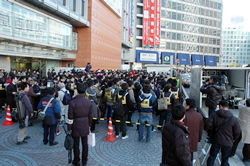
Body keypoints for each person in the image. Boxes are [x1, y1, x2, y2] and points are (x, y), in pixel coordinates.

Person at [205, 100, 241, 166]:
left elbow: (208, 124)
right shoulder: (234, 119)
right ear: (228, 107)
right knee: (225, 160)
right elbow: (237, 131)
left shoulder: (214, 115)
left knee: (212, 157)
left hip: (216, 139)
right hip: (228, 142)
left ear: (220, 106)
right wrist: (234, 139)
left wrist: (209, 132)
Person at [68, 83, 92, 166]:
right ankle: (84, 160)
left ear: (77, 91)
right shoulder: (88, 101)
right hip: (85, 123)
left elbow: (70, 117)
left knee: (76, 144)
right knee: (85, 144)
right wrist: (89, 124)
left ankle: (76, 160)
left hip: (76, 124)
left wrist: (69, 127)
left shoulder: (72, 102)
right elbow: (90, 115)